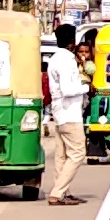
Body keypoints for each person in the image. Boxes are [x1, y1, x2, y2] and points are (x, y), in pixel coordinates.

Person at [37, 32, 89, 207]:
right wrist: (85, 87)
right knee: (78, 153)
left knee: (62, 155)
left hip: (59, 112)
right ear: (71, 42)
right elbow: (68, 89)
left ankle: (63, 191)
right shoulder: (67, 60)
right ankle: (58, 193)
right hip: (70, 113)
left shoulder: (54, 59)